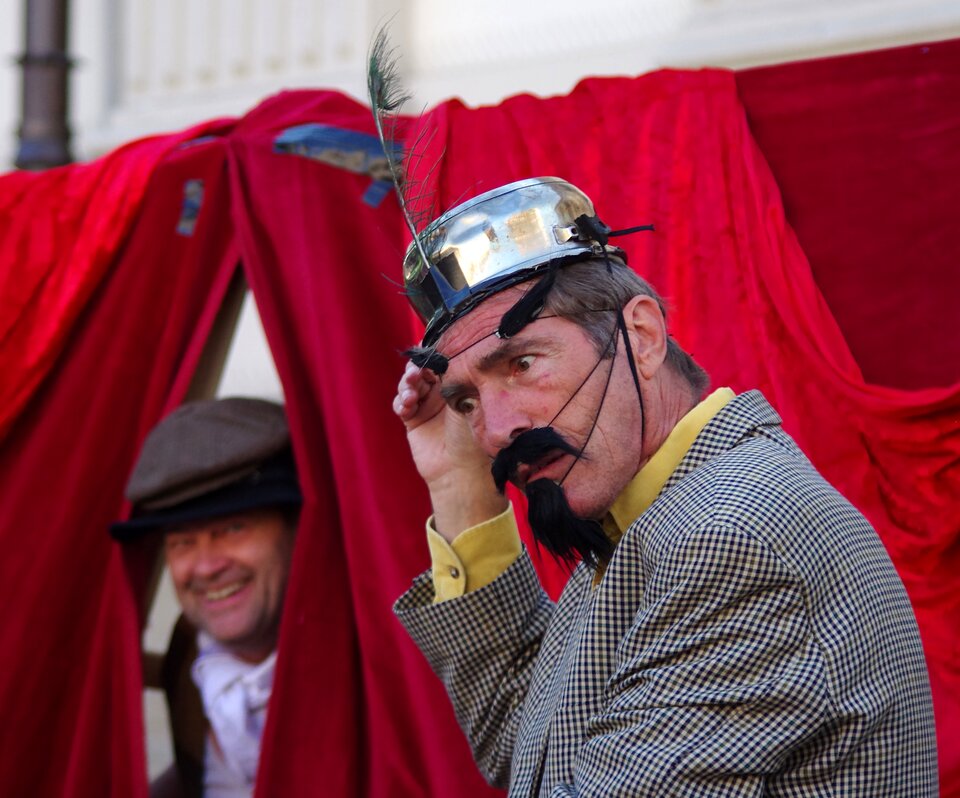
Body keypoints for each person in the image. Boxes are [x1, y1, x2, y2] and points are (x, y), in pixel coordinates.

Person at [391, 177, 938, 796]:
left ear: (643, 337)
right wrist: (459, 480)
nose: (496, 431)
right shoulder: (646, 511)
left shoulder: (728, 538)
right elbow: (535, 751)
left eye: (522, 364)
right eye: (466, 400)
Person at [111, 397, 301, 798]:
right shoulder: (188, 650)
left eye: (233, 527)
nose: (206, 566)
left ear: (297, 529)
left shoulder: (368, 654)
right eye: (182, 542)